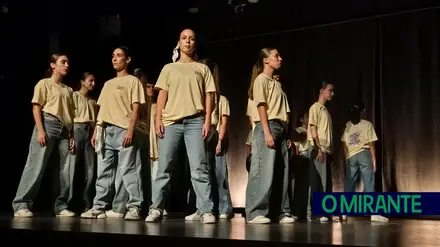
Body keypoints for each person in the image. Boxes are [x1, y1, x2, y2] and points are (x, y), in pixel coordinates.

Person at [145, 29, 216, 224]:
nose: (188, 41)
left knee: (199, 168)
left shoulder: (202, 69)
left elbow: (210, 95)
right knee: (164, 168)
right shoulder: (169, 68)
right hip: (171, 122)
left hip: (195, 121)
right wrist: (158, 119)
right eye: (184, 38)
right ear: (179, 43)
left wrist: (208, 120)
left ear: (195, 43)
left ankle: (206, 209)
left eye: (192, 38)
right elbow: (162, 95)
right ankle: (156, 208)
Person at [81, 46, 146, 220]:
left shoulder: (133, 81)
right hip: (106, 131)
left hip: (124, 130)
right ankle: (99, 206)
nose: (115, 59)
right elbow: (102, 110)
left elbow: (135, 109)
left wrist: (130, 130)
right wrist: (97, 130)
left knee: (128, 170)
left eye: (119, 55)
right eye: (113, 56)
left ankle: (134, 206)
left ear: (128, 59)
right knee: (103, 171)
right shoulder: (108, 84)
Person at [12, 53, 76, 217]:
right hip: (48, 123)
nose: (67, 65)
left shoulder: (68, 90)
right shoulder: (44, 83)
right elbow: (36, 107)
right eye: (63, 62)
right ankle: (21, 204)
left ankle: (61, 206)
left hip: (65, 129)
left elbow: (71, 115)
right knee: (36, 165)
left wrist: (72, 135)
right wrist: (41, 130)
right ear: (53, 65)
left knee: (65, 170)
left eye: (68, 62)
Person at [245, 48, 294, 224]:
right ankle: (255, 211)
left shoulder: (277, 84)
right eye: (276, 56)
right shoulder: (261, 80)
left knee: (282, 171)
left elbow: (283, 112)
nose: (280, 58)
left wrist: (287, 135)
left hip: (280, 127)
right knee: (262, 170)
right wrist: (266, 132)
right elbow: (261, 107)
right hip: (267, 126)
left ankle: (281, 211)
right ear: (266, 60)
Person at [185, 58, 233, 220]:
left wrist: (219, 140)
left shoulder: (219, 98)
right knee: (202, 171)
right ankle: (203, 208)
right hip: (200, 130)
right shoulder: (201, 95)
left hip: (209, 131)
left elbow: (222, 122)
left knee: (213, 173)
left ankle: (218, 208)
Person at [341, 102, 388, 222]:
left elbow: (344, 144)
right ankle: (373, 213)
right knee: (369, 183)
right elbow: (371, 143)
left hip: (351, 156)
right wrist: (374, 159)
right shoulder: (367, 124)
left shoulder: (348, 125)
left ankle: (344, 212)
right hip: (363, 153)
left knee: (349, 184)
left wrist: (347, 157)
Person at [306, 81, 337, 222]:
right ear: (322, 90)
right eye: (330, 90)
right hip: (318, 149)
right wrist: (318, 148)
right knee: (318, 182)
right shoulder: (315, 108)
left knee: (326, 182)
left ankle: (325, 211)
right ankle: (317, 213)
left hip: (325, 150)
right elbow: (313, 129)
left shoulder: (326, 111)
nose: (332, 93)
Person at [70, 72, 98, 212]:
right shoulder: (74, 96)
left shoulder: (93, 102)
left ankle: (87, 203)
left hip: (91, 131)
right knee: (73, 167)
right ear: (82, 82)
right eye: (90, 81)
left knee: (91, 170)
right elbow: (69, 117)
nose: (93, 84)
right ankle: (69, 202)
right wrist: (71, 136)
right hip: (77, 128)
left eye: (94, 81)